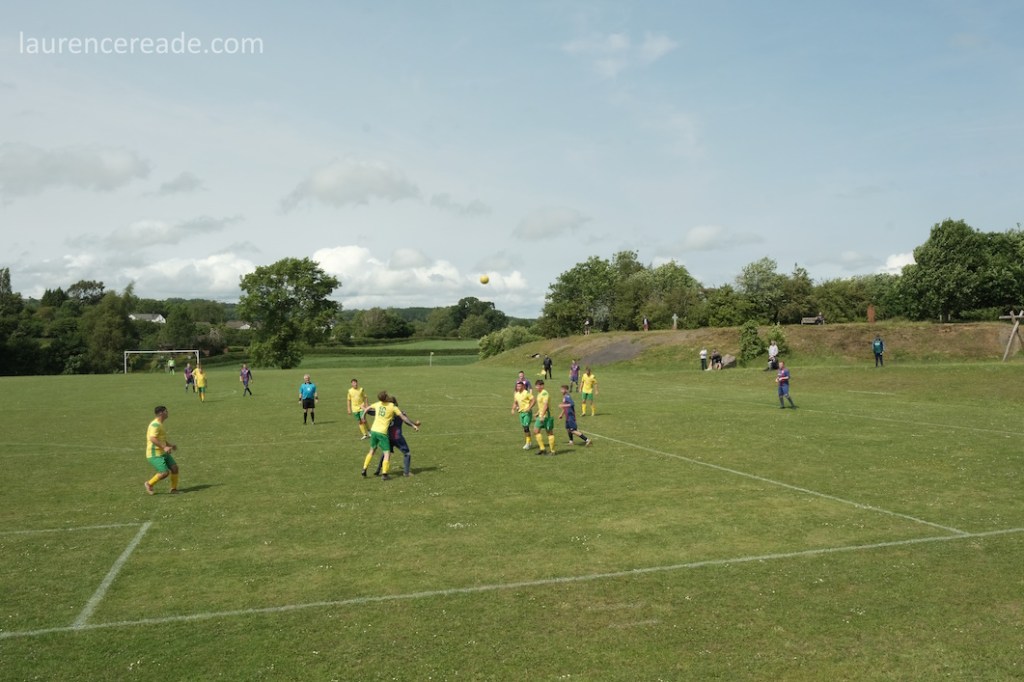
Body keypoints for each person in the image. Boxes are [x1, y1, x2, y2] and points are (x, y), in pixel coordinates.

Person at [361, 390, 419, 480]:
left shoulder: (379, 406)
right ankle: (403, 473)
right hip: (395, 437)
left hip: (383, 434)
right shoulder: (395, 409)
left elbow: (370, 411)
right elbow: (405, 419)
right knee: (405, 453)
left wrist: (363, 412)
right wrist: (414, 424)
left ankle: (373, 470)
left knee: (379, 452)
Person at [144, 405, 179, 495]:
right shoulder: (155, 425)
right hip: (154, 454)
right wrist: (164, 447)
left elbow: (161, 439)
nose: (167, 413)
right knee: (164, 472)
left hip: (162, 452)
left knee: (174, 468)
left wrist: (170, 445)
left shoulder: (160, 424)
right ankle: (149, 484)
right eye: (166, 411)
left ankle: (173, 489)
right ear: (161, 413)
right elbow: (152, 438)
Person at [532, 379, 556, 455]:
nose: (536, 387)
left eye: (537, 386)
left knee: (549, 433)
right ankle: (542, 449)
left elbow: (546, 405)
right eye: (536, 386)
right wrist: (537, 413)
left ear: (542, 386)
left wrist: (542, 416)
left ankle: (552, 451)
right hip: (541, 415)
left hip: (547, 416)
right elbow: (541, 406)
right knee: (536, 431)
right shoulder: (539, 394)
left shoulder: (545, 393)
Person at [511, 380, 536, 450]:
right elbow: (515, 402)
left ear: (523, 386)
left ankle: (527, 443)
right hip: (521, 413)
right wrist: (513, 409)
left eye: (520, 386)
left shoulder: (526, 393)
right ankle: (529, 442)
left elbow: (534, 400)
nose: (518, 387)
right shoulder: (516, 394)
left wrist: (529, 408)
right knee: (525, 428)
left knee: (526, 427)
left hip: (527, 413)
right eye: (517, 386)